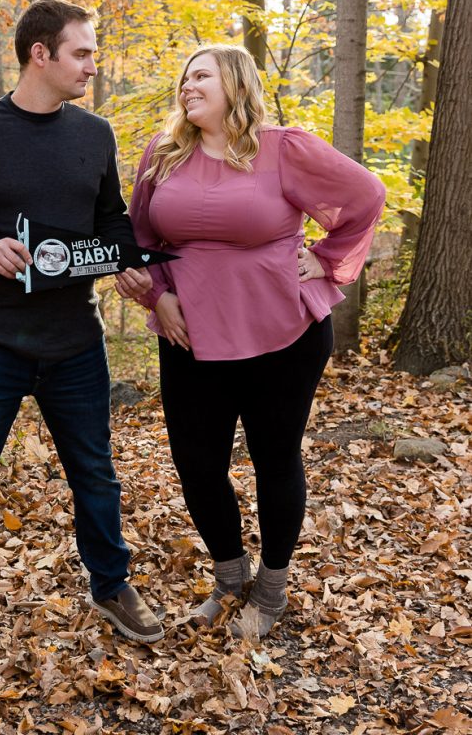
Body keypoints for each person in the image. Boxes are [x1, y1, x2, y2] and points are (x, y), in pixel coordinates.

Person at [0, 0, 164, 670]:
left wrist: (125, 264)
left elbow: (111, 220)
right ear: (39, 54)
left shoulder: (94, 135)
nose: (91, 67)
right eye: (81, 54)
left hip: (74, 343)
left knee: (97, 478)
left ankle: (110, 586)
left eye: (93, 55)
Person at [118, 44, 385, 639]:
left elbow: (365, 196)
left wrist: (325, 258)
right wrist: (155, 295)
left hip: (283, 331)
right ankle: (229, 577)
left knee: (274, 456)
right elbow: (137, 237)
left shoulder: (284, 149)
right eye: (184, 77)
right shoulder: (162, 158)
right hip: (191, 334)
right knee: (196, 462)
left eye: (202, 76)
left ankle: (271, 587)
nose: (188, 86)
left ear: (235, 84)